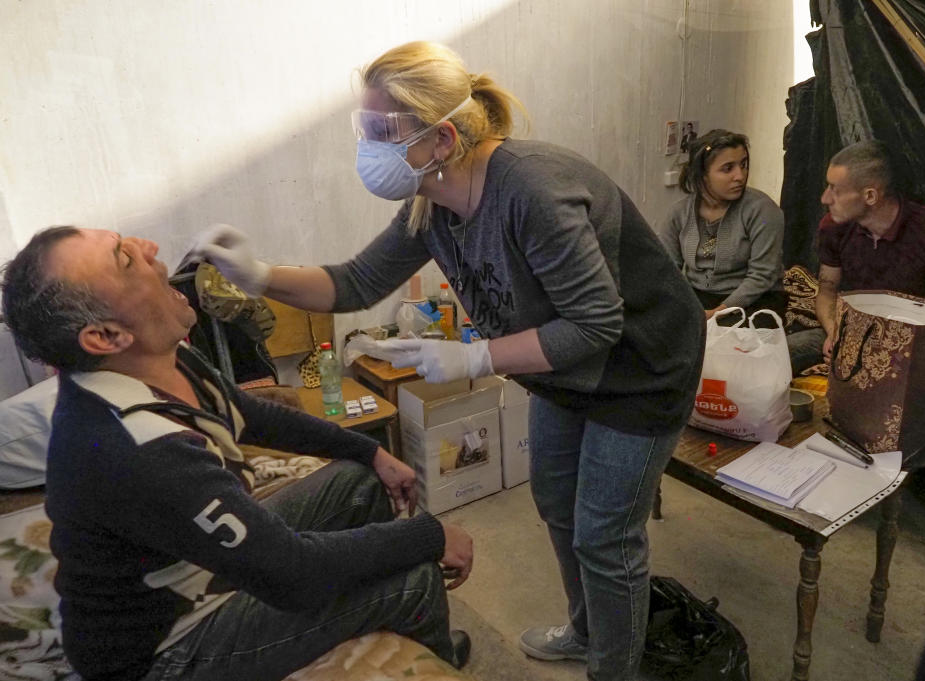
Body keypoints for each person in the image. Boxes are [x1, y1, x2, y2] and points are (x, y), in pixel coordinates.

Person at [192, 41, 705, 681]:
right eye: (364, 127)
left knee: (603, 534)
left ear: (440, 138)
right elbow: (353, 282)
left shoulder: (532, 190)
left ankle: (614, 667)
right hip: (562, 371)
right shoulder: (430, 201)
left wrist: (473, 357)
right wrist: (259, 274)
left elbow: (596, 324)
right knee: (556, 502)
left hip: (640, 370)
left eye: (380, 130)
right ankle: (586, 630)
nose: (367, 144)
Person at [0, 226, 473, 681]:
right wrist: (428, 536)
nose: (148, 247)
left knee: (360, 482)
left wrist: (370, 451)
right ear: (105, 337)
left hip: (191, 574)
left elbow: (246, 412)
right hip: (161, 648)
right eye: (125, 258)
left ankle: (398, 619)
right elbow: (294, 573)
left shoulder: (161, 361)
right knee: (415, 579)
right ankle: (434, 645)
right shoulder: (140, 451)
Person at [813, 140, 925, 363]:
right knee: (775, 350)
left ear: (870, 196)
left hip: (918, 341)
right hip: (853, 327)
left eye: (836, 190)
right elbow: (827, 291)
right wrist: (835, 331)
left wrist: (884, 351)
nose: (825, 198)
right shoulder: (833, 226)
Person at [657, 129, 786, 326]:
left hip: (754, 299)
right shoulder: (679, 213)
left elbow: (762, 275)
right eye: (728, 169)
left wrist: (717, 313)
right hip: (700, 297)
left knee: (731, 342)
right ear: (703, 175)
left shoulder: (763, 212)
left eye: (743, 165)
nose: (740, 176)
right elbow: (667, 269)